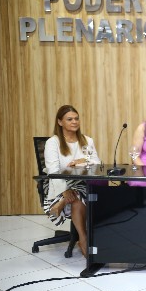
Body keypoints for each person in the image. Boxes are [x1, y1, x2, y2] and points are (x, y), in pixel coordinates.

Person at [44, 105, 101, 257]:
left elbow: (97, 163)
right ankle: (83, 239)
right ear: (60, 122)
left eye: (76, 118)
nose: (74, 122)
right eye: (69, 119)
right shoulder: (53, 142)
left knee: (83, 194)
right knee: (77, 199)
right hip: (59, 185)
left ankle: (64, 202)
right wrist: (65, 190)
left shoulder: (87, 140)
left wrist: (80, 161)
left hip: (83, 183)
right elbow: (53, 171)